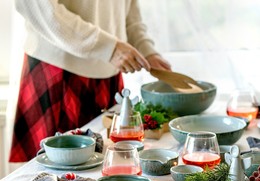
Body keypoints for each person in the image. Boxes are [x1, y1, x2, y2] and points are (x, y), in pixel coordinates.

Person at [9, 0, 171, 162]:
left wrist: (145, 49)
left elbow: (126, 10)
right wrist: (109, 48)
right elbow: (37, 8)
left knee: (110, 168)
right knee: (52, 177)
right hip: (60, 70)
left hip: (108, 71)